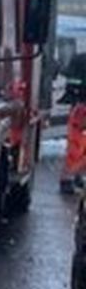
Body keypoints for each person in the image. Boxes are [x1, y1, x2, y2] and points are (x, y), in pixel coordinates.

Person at [61, 51, 86, 193]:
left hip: (79, 107)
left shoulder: (78, 58)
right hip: (82, 108)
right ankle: (69, 178)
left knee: (77, 147)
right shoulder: (81, 59)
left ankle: (74, 176)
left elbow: (70, 82)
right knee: (77, 147)